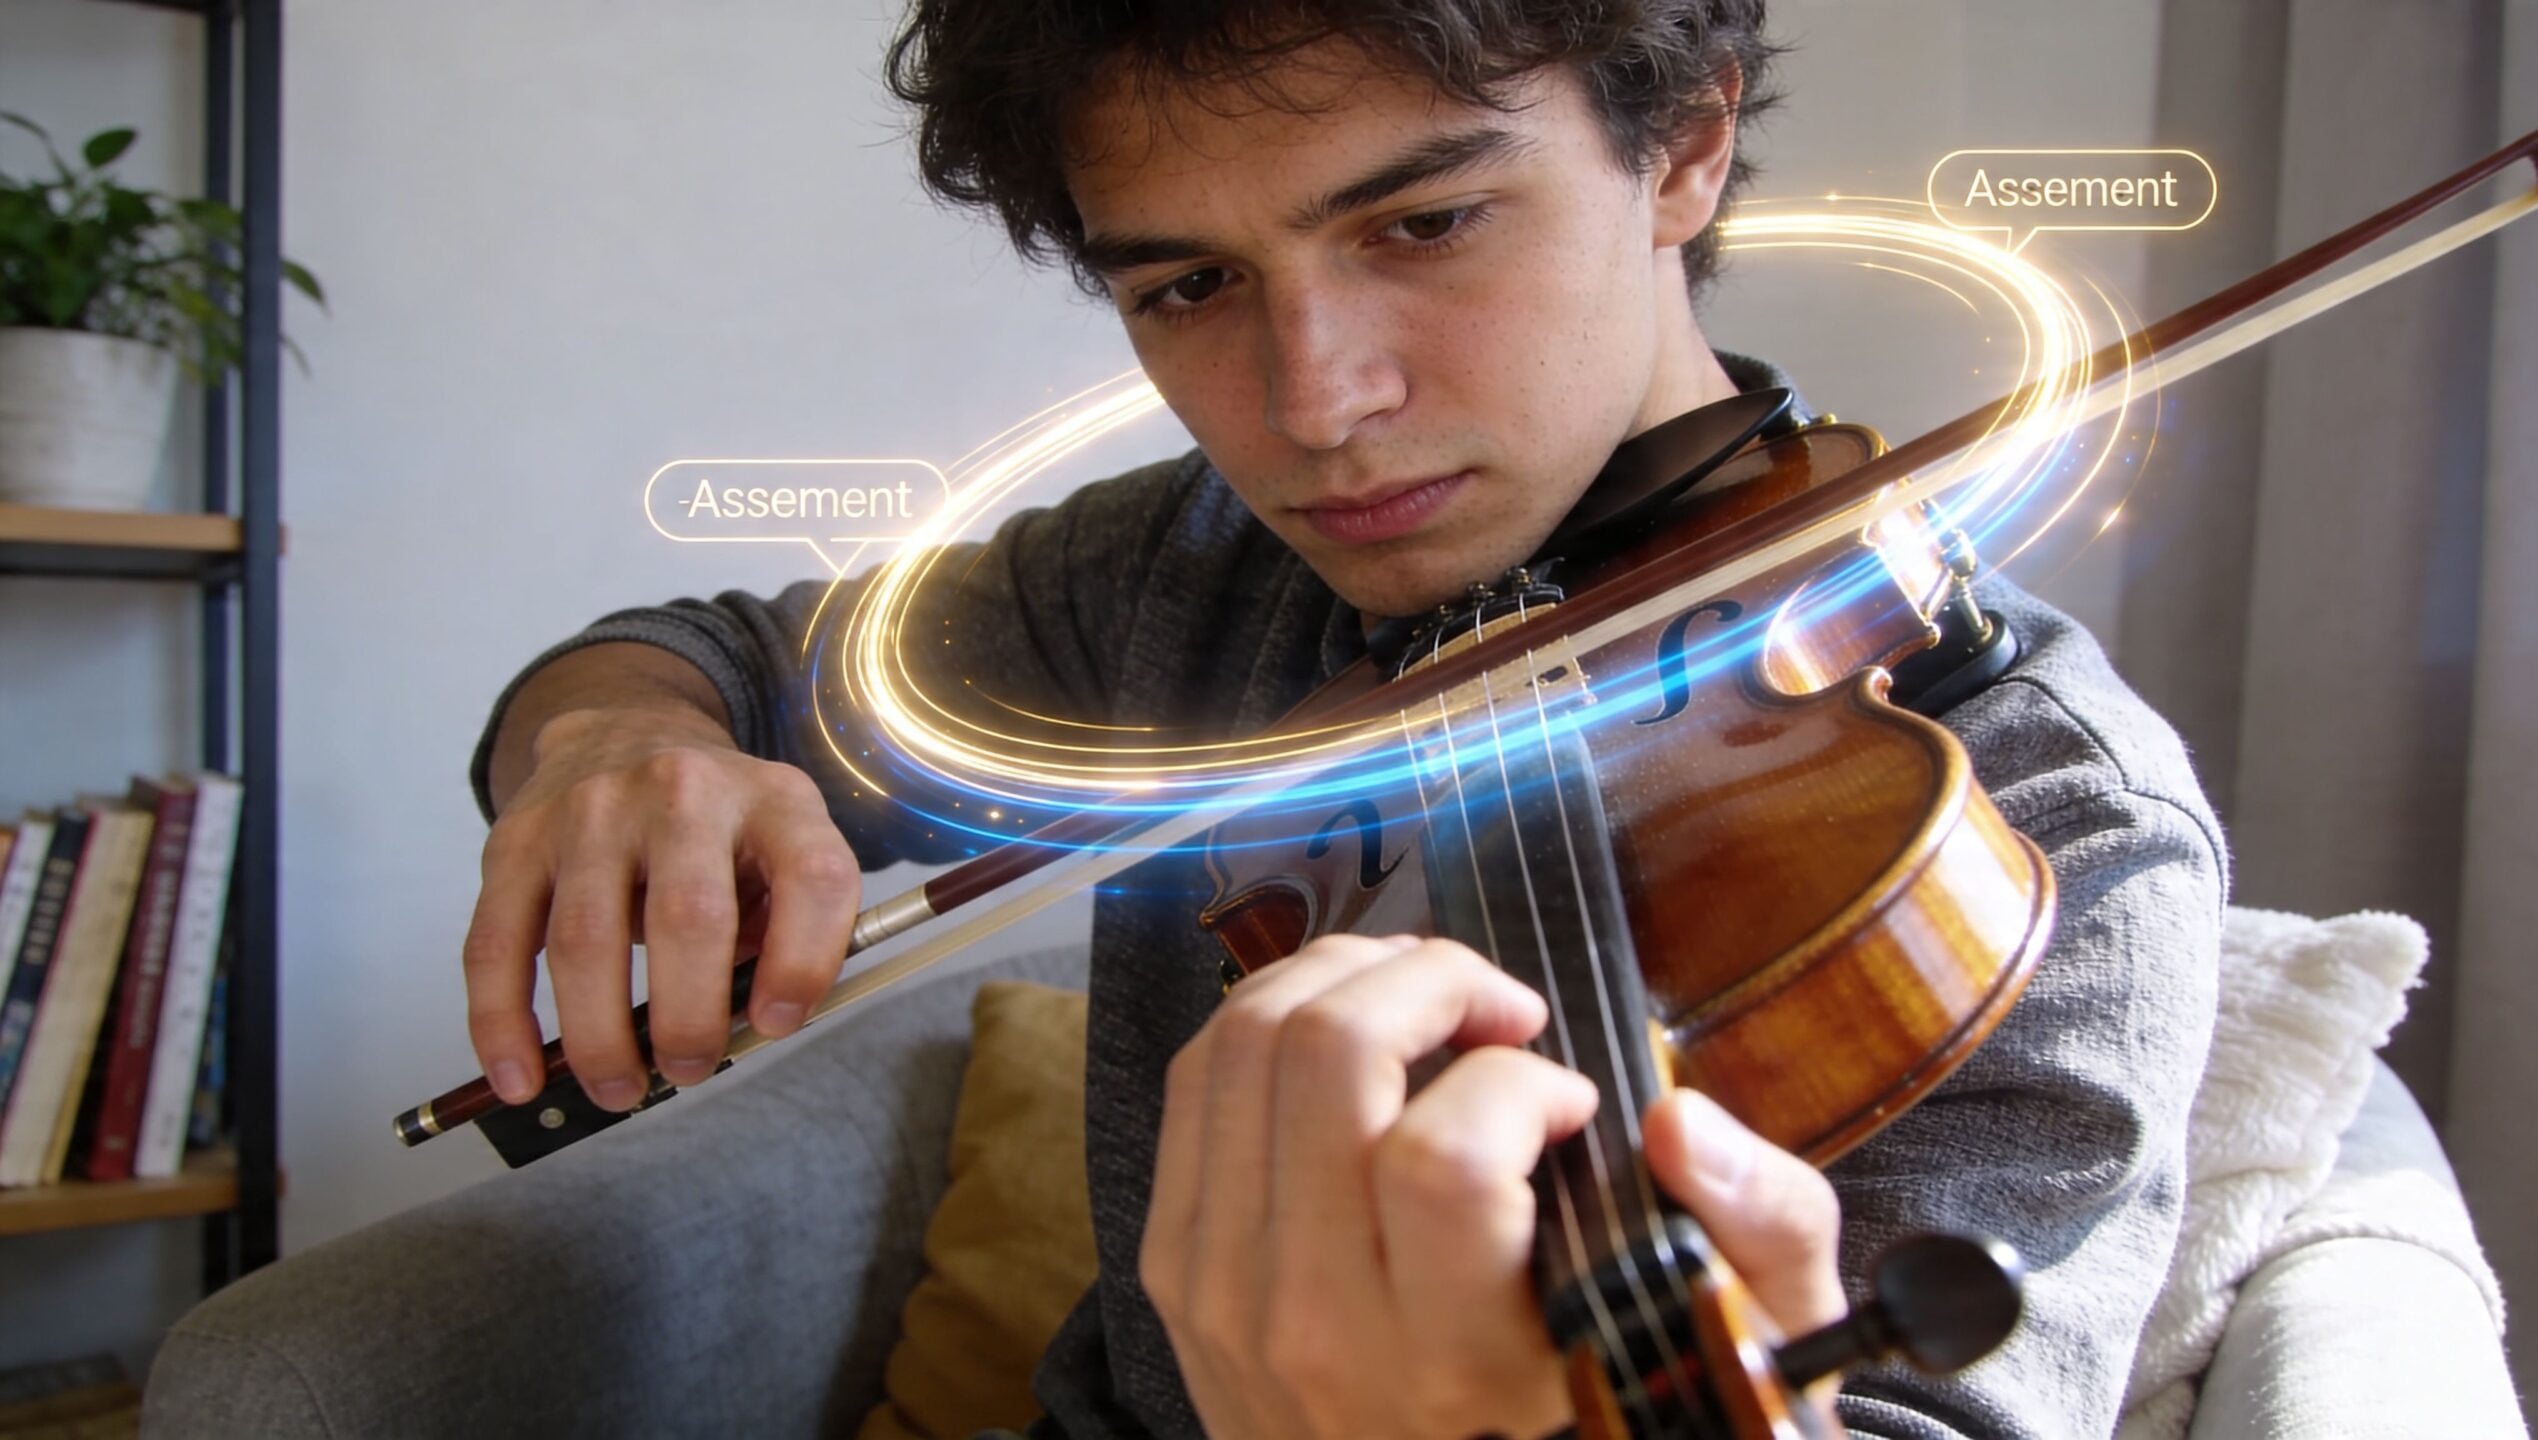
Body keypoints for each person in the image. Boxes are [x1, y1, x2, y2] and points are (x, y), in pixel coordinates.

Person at [462, 2, 2225, 1435]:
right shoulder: (1192, 569)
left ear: (1682, 143)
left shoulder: (2043, 823)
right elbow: (709, 651)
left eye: (1426, 221)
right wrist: (619, 747)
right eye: (1187, 286)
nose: (1317, 407)